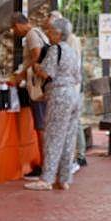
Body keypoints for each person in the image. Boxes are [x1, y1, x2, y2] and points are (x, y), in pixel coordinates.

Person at [24, 16, 84, 191]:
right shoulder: (72, 51)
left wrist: (36, 68)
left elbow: (46, 73)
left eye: (50, 31)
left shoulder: (55, 50)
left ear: (58, 33)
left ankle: (47, 178)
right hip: (73, 94)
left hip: (59, 95)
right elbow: (78, 76)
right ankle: (64, 178)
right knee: (68, 138)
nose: (48, 34)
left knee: (53, 137)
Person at [7, 11, 48, 175]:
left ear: (18, 25)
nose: (14, 32)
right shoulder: (39, 33)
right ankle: (47, 164)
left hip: (37, 87)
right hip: (42, 85)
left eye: (14, 29)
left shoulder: (31, 35)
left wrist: (21, 75)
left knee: (41, 126)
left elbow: (36, 56)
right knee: (43, 125)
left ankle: (45, 165)